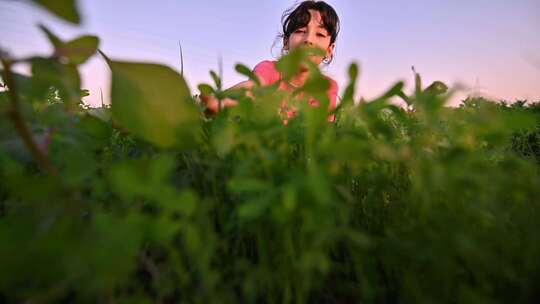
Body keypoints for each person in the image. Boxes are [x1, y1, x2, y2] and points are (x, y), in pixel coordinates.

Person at [201, 1, 340, 122]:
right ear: (286, 42)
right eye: (300, 31)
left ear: (329, 49)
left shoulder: (327, 86)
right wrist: (222, 102)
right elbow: (251, 88)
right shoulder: (270, 69)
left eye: (320, 34)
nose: (309, 40)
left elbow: (317, 128)